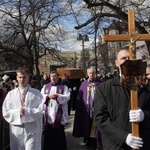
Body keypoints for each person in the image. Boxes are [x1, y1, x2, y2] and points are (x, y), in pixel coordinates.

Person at [94, 49, 150, 150]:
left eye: (129, 58)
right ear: (116, 63)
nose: (127, 61)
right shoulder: (105, 88)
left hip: (143, 143)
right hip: (116, 145)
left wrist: (144, 116)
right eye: (123, 58)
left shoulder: (146, 86)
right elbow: (100, 118)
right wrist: (124, 137)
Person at [2, 67, 44, 150]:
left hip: (32, 130)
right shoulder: (11, 94)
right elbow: (6, 111)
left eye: (24, 77)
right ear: (17, 78)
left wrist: (27, 112)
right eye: (20, 77)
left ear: (28, 78)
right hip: (17, 131)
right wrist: (18, 113)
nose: (22, 80)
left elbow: (41, 109)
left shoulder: (36, 93)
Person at [41, 71, 70, 150]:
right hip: (49, 113)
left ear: (58, 77)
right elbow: (41, 97)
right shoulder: (45, 86)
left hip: (59, 114)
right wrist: (47, 96)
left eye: (55, 76)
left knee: (59, 133)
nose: (53, 78)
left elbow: (67, 97)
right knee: (48, 133)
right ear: (49, 77)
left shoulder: (64, 87)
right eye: (51, 76)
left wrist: (57, 96)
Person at [73, 67, 101, 149]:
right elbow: (80, 97)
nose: (92, 74)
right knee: (87, 124)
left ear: (95, 74)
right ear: (87, 74)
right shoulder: (83, 84)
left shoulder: (100, 83)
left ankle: (95, 141)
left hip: (96, 108)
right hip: (87, 109)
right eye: (90, 73)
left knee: (95, 125)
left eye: (93, 73)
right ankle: (87, 139)